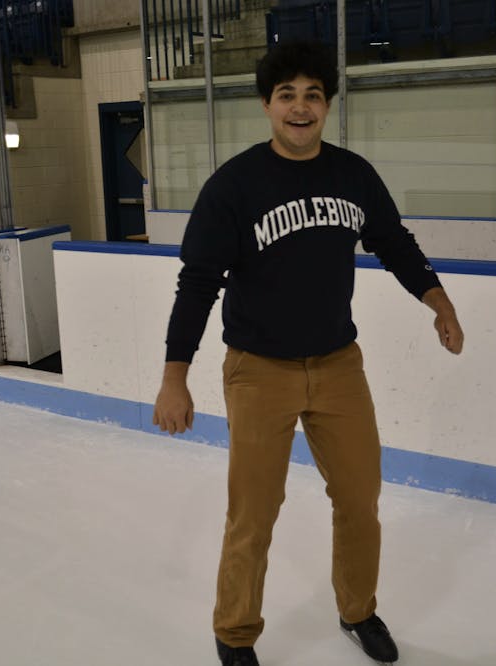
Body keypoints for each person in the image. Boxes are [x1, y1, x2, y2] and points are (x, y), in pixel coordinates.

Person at [152, 40, 464, 666]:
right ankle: (235, 632)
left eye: (313, 95)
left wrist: (438, 300)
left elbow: (395, 243)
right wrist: (174, 377)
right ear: (267, 105)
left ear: (327, 104)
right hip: (258, 372)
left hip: (338, 367)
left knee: (359, 501)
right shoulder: (234, 186)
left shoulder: (353, 175)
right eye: (287, 95)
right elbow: (198, 283)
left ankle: (358, 610)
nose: (301, 107)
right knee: (254, 514)